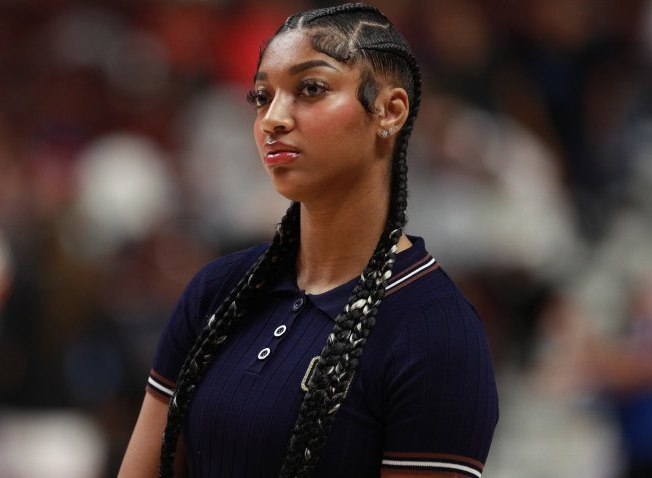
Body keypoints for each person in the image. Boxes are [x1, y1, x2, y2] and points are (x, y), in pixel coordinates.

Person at [119, 3, 498, 477]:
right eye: (261, 97)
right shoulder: (215, 292)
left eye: (310, 89)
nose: (273, 119)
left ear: (390, 110)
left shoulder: (437, 332)